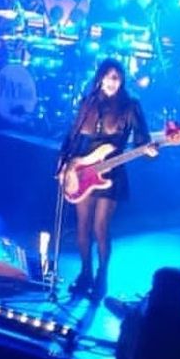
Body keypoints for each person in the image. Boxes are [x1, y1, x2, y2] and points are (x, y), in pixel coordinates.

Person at [57, 58, 156, 300]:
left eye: (117, 78)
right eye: (108, 77)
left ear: (122, 81)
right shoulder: (88, 103)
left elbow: (142, 139)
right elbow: (72, 135)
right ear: (99, 77)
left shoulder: (130, 106)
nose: (112, 82)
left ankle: (102, 277)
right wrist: (64, 163)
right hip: (83, 170)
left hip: (111, 172)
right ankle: (85, 274)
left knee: (100, 227)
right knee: (82, 226)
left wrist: (149, 150)